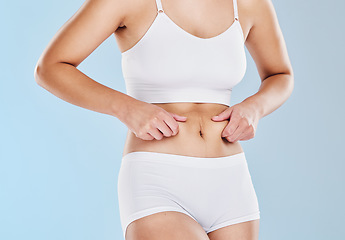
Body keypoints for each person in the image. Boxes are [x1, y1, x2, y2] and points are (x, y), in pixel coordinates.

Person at [34, 0, 294, 239]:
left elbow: (280, 74)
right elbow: (50, 67)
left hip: (230, 178)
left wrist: (255, 108)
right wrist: (125, 108)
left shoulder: (249, 4)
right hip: (157, 179)